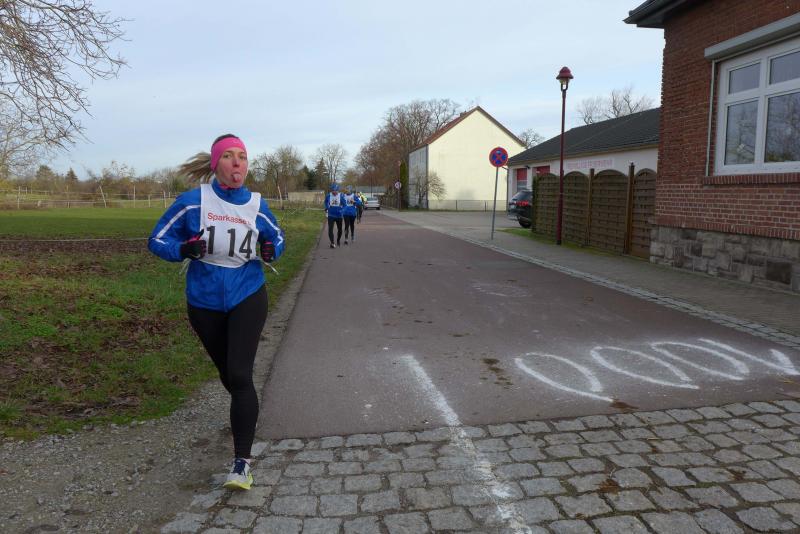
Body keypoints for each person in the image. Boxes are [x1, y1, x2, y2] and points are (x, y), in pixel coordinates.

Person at [148, 134, 285, 491]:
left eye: (243, 156)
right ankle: (245, 413)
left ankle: (242, 464)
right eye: (229, 156)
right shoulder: (192, 202)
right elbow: (157, 240)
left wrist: (270, 250)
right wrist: (183, 249)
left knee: (239, 373)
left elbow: (277, 239)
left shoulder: (257, 205)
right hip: (204, 301)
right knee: (230, 375)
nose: (237, 162)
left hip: (247, 294)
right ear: (215, 164)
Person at [324, 182, 344, 248]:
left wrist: (342, 210)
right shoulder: (328, 195)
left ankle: (338, 240)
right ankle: (332, 243)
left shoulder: (341, 196)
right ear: (331, 190)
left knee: (340, 230)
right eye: (333, 190)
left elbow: (345, 205)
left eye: (335, 191)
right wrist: (327, 207)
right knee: (330, 229)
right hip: (331, 215)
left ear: (338, 190)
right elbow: (325, 202)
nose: (334, 192)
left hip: (339, 215)